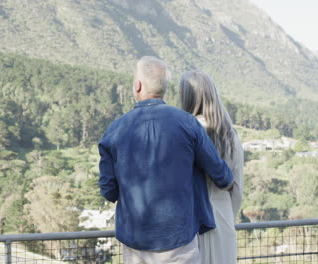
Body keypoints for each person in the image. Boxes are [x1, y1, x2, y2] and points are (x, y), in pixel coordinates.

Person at [98, 56, 234, 263]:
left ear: (137, 85)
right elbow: (220, 174)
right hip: (180, 241)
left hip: (135, 242)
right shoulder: (188, 124)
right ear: (164, 89)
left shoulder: (114, 130)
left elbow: (108, 190)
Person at [180, 70, 244, 264]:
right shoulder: (229, 135)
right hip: (223, 215)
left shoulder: (182, 132)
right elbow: (237, 186)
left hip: (190, 220)